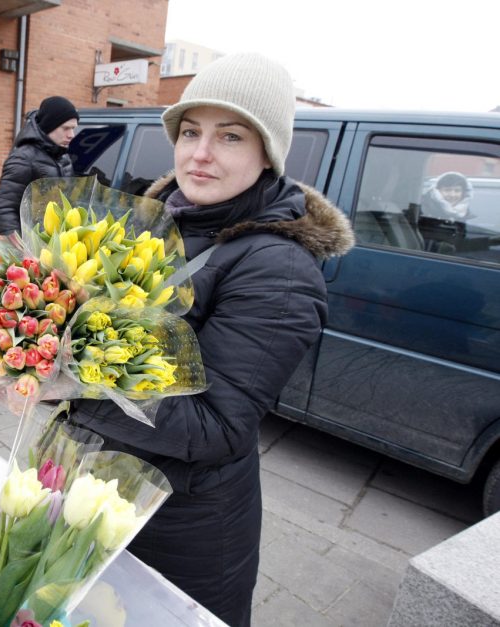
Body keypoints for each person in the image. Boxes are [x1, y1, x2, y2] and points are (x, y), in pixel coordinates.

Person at [68, 52, 355, 626]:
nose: (200, 153)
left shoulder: (279, 270)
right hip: (97, 491)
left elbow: (217, 428)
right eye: (190, 131)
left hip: (177, 529)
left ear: (266, 153)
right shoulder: (154, 224)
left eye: (229, 136)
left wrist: (79, 367)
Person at [0, 96, 78, 235]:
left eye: (73, 128)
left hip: (55, 242)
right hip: (31, 245)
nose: (71, 135)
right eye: (66, 128)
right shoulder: (23, 158)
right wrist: (19, 248)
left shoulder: (63, 157)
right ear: (50, 126)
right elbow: (5, 210)